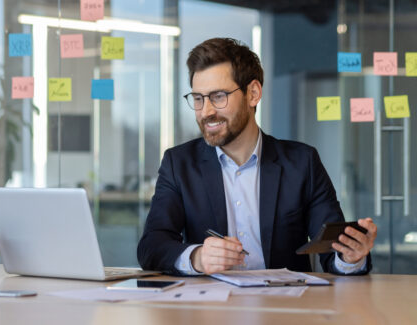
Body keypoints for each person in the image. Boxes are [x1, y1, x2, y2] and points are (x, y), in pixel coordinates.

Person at [137, 38, 377, 275]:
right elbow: (151, 247)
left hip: (286, 308)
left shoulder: (302, 163)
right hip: (210, 310)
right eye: (198, 99)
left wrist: (350, 257)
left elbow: (332, 251)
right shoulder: (179, 164)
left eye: (218, 96)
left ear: (253, 93)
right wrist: (197, 257)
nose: (206, 111)